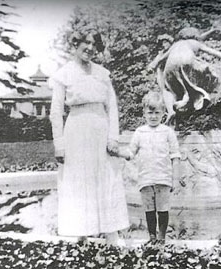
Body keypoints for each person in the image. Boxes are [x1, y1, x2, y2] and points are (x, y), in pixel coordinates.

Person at [49, 30, 129, 244]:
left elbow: (112, 107)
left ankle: (112, 233)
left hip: (101, 129)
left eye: (95, 44)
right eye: (86, 43)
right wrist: (59, 144)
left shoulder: (103, 73)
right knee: (78, 180)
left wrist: (113, 137)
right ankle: (81, 231)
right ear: (75, 44)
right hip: (76, 131)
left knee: (106, 178)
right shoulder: (63, 74)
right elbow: (56, 111)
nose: (91, 48)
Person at [113, 91, 181, 245]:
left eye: (157, 112)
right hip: (146, 178)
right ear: (144, 112)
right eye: (150, 112)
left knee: (162, 208)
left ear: (163, 113)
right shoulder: (139, 132)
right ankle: (151, 237)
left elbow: (175, 156)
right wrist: (117, 152)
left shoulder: (168, 132)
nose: (153, 116)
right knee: (149, 209)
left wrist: (175, 179)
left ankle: (161, 238)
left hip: (163, 178)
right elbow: (131, 152)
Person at [148, 27, 221, 112]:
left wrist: (152, 65)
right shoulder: (194, 43)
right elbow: (216, 53)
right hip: (187, 61)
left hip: (171, 65)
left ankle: (183, 102)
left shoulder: (176, 44)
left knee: (181, 83)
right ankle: (203, 96)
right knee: (205, 72)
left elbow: (161, 59)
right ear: (194, 36)